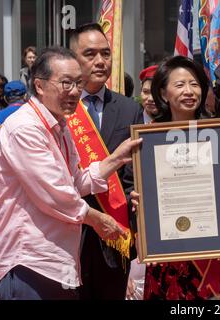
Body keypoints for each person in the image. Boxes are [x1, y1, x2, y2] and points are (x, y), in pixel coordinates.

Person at [0, 47, 141, 300]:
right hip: (29, 263)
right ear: (39, 86)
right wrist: (98, 219)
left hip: (58, 264)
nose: (75, 92)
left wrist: (117, 158)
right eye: (66, 83)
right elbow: (55, 194)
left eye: (78, 83)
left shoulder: (59, 126)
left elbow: (76, 182)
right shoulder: (25, 128)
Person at [132, 55, 220, 300]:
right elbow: (146, 191)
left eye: (194, 84)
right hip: (166, 249)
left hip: (208, 251)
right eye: (180, 85)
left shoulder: (217, 134)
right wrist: (140, 200)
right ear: (163, 94)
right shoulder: (149, 138)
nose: (189, 91)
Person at [69, 22, 143, 300]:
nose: (100, 61)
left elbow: (132, 172)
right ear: (73, 59)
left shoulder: (129, 108)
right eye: (90, 54)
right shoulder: (62, 107)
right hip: (71, 229)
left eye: (106, 53)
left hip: (115, 230)